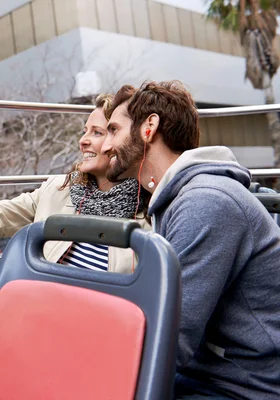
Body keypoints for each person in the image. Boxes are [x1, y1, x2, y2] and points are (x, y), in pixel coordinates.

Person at [102, 80, 280, 399]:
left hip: (247, 386)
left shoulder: (204, 202)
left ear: (149, 127)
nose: (104, 146)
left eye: (113, 130)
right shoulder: (177, 199)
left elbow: (170, 340)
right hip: (208, 374)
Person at [0, 94, 150, 274]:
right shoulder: (58, 189)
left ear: (121, 139)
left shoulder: (150, 210)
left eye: (97, 132)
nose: (83, 141)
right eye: (84, 131)